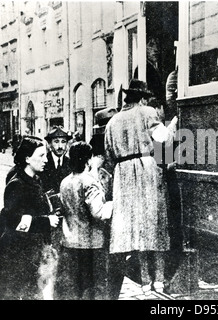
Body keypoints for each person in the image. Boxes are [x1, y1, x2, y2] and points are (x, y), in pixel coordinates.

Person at [104, 79, 178, 298]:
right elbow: (163, 139)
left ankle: (145, 282)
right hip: (147, 169)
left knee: (135, 229)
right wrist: (172, 125)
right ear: (143, 98)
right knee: (155, 224)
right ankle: (160, 280)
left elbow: (109, 156)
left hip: (123, 175)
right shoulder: (147, 112)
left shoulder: (113, 121)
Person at [0, 136, 60, 300]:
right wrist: (45, 222)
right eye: (41, 156)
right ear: (27, 158)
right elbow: (13, 221)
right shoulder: (17, 184)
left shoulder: (36, 181)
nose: (46, 160)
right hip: (18, 255)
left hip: (33, 252)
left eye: (46, 155)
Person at [56, 141, 112, 300]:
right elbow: (99, 213)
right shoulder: (89, 182)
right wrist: (112, 204)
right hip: (91, 244)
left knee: (75, 289)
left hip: (70, 242)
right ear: (88, 160)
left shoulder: (65, 182)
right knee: (94, 289)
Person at [41, 126, 72, 194]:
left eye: (63, 142)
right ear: (49, 144)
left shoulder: (70, 163)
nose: (60, 146)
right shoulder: (43, 162)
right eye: (56, 142)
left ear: (67, 144)